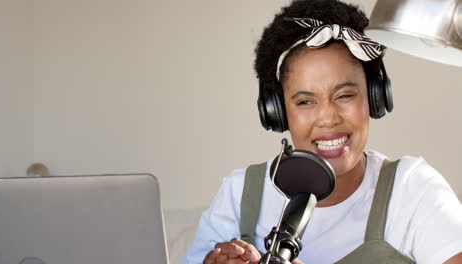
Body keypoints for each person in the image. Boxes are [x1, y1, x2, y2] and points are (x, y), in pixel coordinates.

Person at [182, 0, 462, 263]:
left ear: (374, 97)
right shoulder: (238, 194)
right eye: (305, 101)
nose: (328, 118)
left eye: (345, 95)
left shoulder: (412, 189)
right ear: (277, 112)